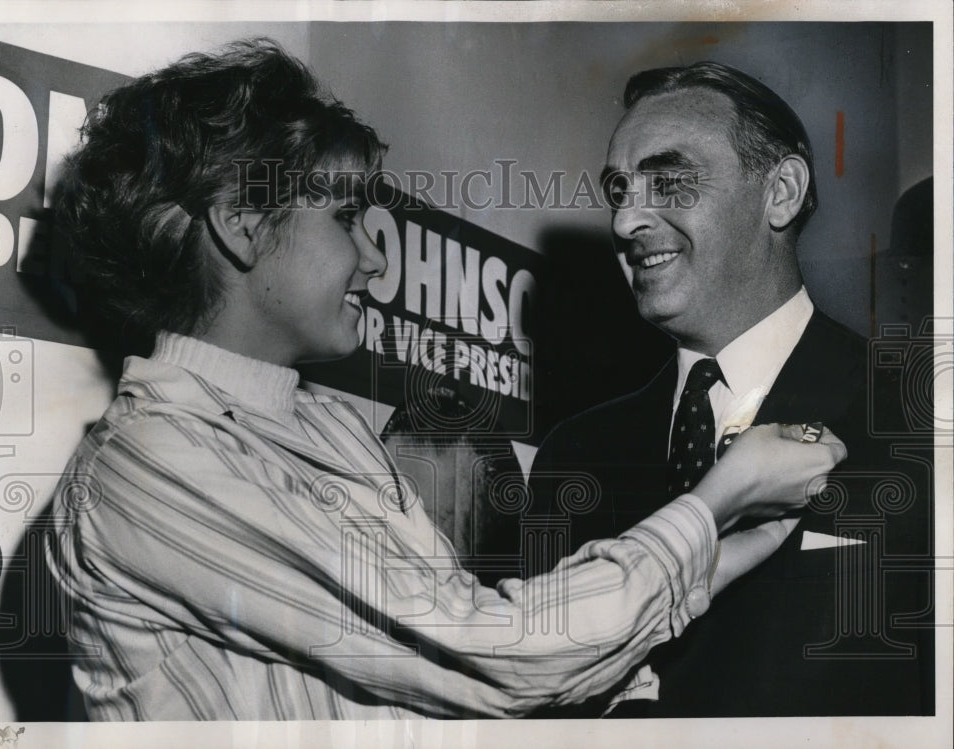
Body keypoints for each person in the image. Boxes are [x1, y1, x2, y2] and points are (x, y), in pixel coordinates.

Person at [44, 41, 845, 721]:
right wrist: (713, 504)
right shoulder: (146, 466)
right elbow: (490, 653)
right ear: (244, 225)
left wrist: (708, 559)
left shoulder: (327, 429)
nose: (377, 258)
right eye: (347, 218)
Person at [523, 62, 933, 716]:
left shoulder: (919, 422)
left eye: (671, 181)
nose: (627, 220)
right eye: (620, 190)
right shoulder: (573, 455)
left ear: (782, 192)